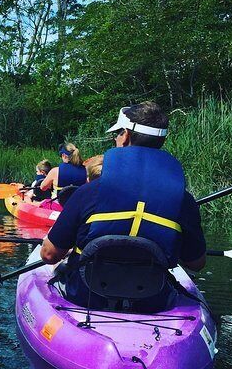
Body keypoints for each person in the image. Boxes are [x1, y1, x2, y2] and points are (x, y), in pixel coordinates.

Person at [39, 102, 207, 312]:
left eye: (117, 134)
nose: (116, 138)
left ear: (125, 135)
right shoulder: (183, 201)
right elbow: (196, 263)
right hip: (151, 301)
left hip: (86, 296)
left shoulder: (88, 193)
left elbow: (49, 255)